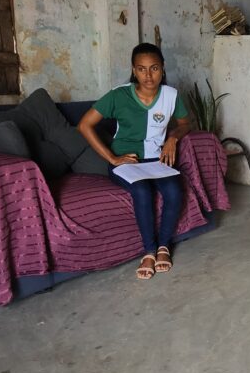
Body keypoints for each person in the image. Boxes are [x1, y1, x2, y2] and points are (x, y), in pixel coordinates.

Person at [78, 43, 192, 280]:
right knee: (142, 191)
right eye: (141, 69)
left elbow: (184, 123)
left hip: (156, 160)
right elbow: (84, 125)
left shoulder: (171, 96)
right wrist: (112, 158)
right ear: (133, 70)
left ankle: (163, 247)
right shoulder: (118, 95)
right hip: (127, 162)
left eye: (154, 68)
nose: (148, 75)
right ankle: (149, 251)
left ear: (163, 68)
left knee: (174, 190)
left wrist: (173, 138)